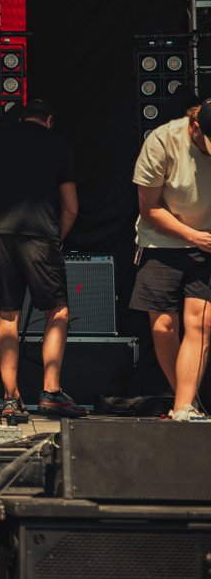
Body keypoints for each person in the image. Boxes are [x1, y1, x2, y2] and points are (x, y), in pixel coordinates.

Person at [0, 99, 83, 419]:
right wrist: (57, 236)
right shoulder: (58, 143)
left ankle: (10, 399)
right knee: (57, 311)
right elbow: (71, 205)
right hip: (42, 235)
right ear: (49, 120)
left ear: (21, 118)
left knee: (7, 316)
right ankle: (51, 392)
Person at [129, 100, 211, 422]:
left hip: (208, 245)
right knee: (164, 327)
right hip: (162, 241)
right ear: (194, 127)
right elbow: (148, 208)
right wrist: (194, 237)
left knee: (201, 323)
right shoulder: (162, 141)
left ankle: (182, 408)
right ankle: (186, 401)